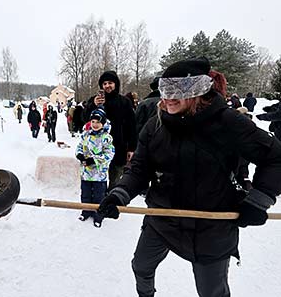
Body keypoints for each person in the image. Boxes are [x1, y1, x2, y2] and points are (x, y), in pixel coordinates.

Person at [97, 57, 281, 297]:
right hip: (162, 218)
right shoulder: (155, 126)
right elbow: (140, 168)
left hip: (211, 225)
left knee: (211, 292)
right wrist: (119, 194)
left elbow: (275, 157)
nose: (168, 98)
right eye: (165, 90)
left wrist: (259, 199)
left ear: (197, 91)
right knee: (141, 266)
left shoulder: (228, 122)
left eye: (177, 90)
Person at [83, 70, 137, 187]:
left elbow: (132, 126)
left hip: (118, 148)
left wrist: (131, 148)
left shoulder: (124, 102)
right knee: (97, 182)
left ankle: (113, 203)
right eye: (104, 83)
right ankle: (99, 202)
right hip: (97, 149)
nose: (107, 86)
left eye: (110, 83)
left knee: (116, 182)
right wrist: (93, 105)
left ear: (115, 84)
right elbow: (84, 120)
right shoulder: (95, 100)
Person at [75, 108, 115, 228]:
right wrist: (80, 155)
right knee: (85, 194)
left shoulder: (106, 137)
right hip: (86, 172)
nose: (95, 125)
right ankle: (86, 211)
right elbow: (79, 147)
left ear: (103, 123)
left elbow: (109, 154)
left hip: (99, 174)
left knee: (99, 196)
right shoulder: (85, 134)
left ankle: (98, 216)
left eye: (98, 122)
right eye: (93, 122)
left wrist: (94, 160)